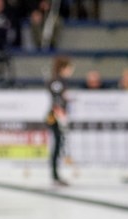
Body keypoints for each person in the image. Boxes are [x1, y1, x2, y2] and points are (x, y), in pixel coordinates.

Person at [46, 55, 74, 186]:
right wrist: (61, 116)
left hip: (59, 116)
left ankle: (56, 174)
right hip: (55, 117)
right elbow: (57, 101)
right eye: (69, 68)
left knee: (59, 145)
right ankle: (54, 175)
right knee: (57, 146)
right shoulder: (57, 81)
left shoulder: (61, 81)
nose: (71, 71)